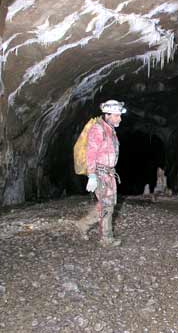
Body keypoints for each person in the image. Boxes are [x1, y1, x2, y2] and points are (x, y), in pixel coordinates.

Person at [73, 99, 126, 247]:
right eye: (116, 115)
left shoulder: (110, 130)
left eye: (120, 115)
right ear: (107, 114)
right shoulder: (98, 129)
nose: (119, 118)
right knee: (107, 206)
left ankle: (83, 224)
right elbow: (91, 153)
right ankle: (106, 239)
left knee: (108, 204)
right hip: (100, 173)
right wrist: (92, 176)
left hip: (109, 174)